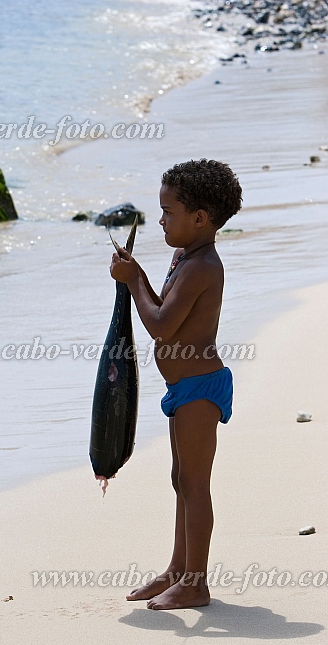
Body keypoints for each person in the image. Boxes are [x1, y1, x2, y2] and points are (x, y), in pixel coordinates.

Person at [110, 159, 242, 609]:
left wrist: (133, 283)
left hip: (200, 388)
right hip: (183, 388)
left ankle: (196, 582)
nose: (161, 219)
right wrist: (139, 276)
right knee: (180, 479)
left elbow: (162, 325)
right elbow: (164, 305)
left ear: (200, 219)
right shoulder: (183, 256)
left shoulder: (204, 266)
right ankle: (177, 570)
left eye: (168, 211)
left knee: (195, 483)